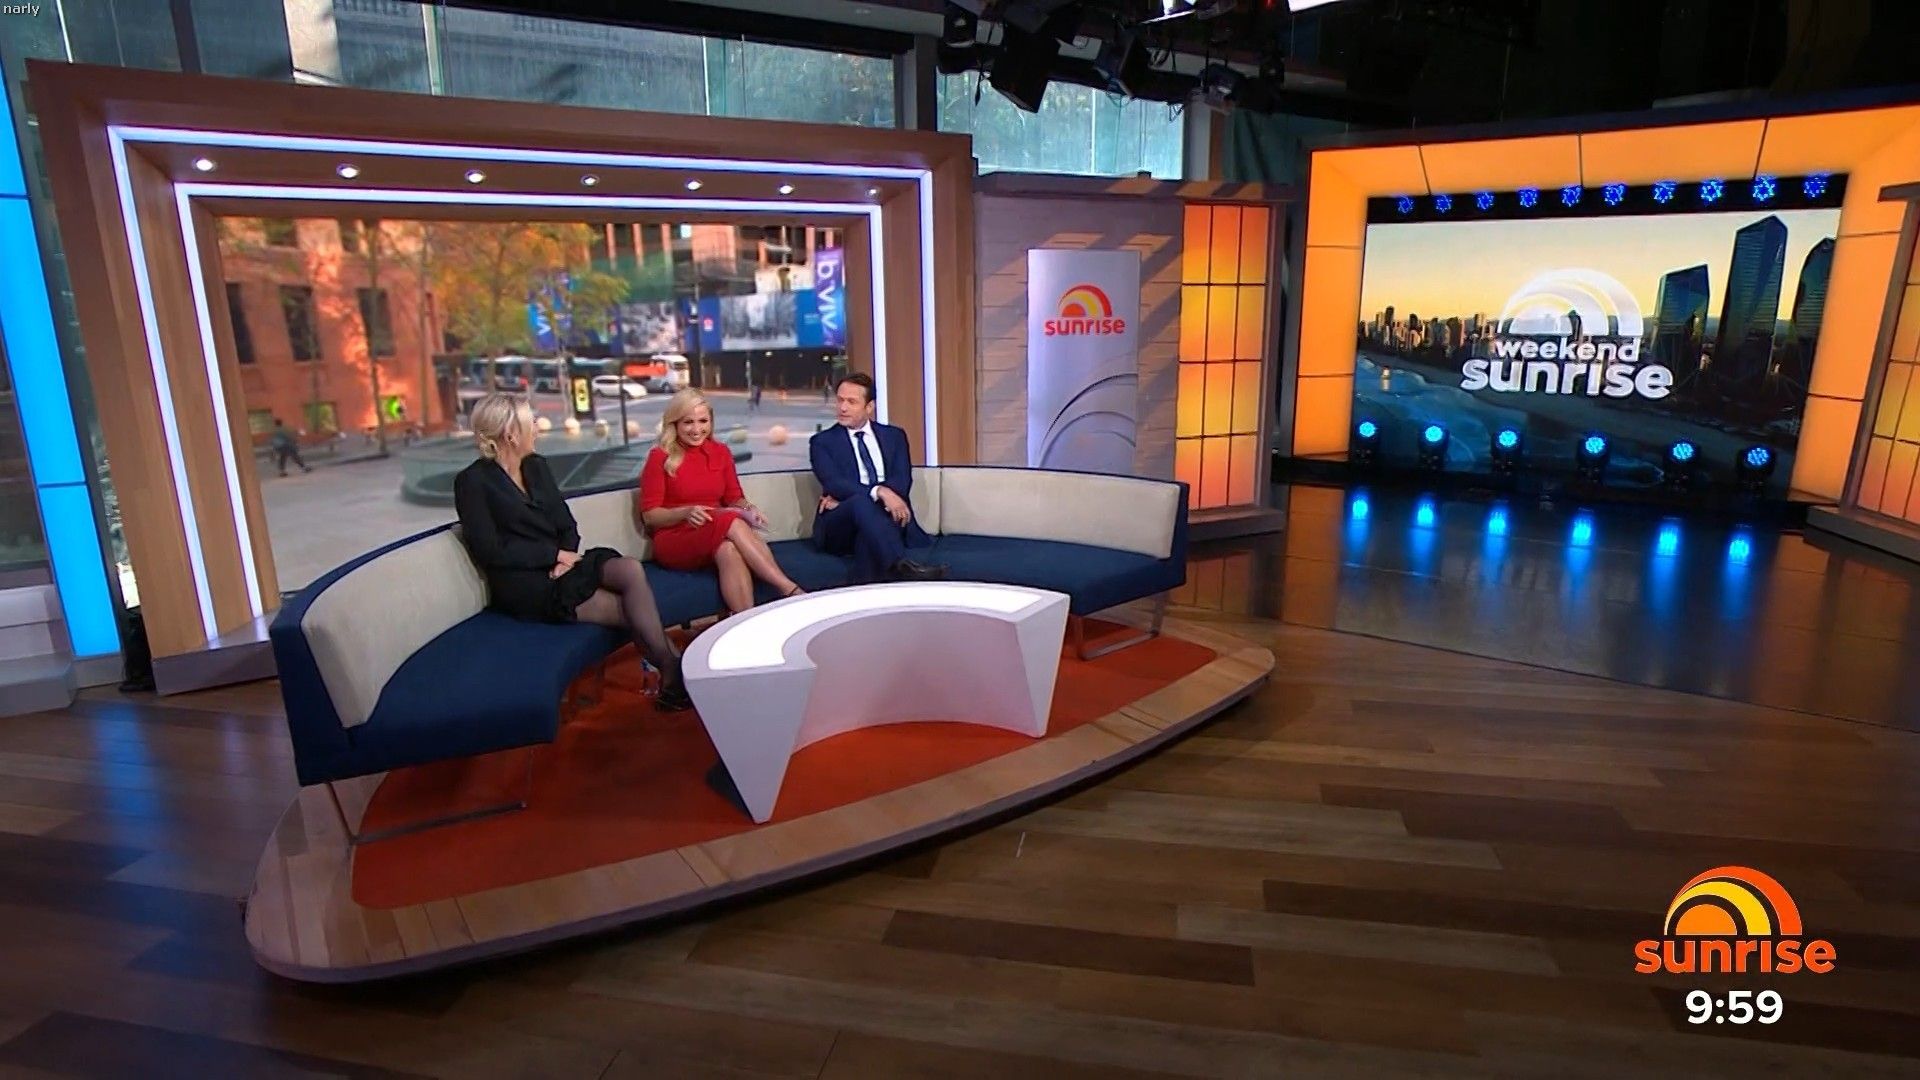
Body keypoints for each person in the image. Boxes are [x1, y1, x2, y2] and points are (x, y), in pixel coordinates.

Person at [454, 393, 693, 711]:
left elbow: (567, 524)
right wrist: (553, 556)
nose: (537, 427)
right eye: (530, 422)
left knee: (629, 569)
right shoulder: (472, 482)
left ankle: (674, 673)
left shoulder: (536, 466)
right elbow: (490, 550)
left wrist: (565, 554)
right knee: (628, 610)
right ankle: (675, 671)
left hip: (564, 564)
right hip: (526, 585)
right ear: (510, 434)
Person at [639, 388, 804, 613]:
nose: (697, 430)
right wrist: (685, 512)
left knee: (728, 549)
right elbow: (650, 516)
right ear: (674, 424)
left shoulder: (721, 452)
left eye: (703, 421)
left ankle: (745, 621)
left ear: (711, 422)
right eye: (688, 422)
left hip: (715, 529)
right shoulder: (660, 456)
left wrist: (749, 508)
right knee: (731, 521)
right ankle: (789, 589)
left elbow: (734, 497)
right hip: (675, 536)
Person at [808, 373, 946, 583]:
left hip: (886, 518)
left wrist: (855, 499)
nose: (842, 408)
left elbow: (902, 481)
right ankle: (901, 565)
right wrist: (880, 492)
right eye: (840, 400)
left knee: (867, 533)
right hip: (840, 526)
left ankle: (871, 592)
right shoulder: (822, 442)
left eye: (851, 402)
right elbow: (834, 483)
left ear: (869, 407)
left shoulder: (894, 436)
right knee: (858, 503)